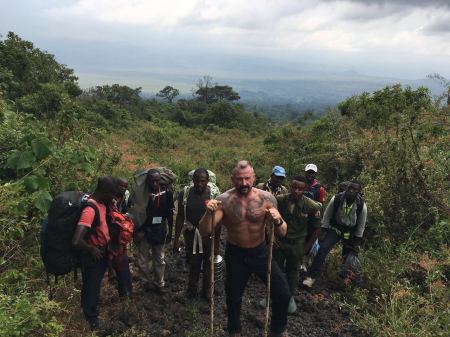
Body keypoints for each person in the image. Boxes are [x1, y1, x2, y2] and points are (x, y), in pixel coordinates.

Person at [199, 160, 290, 337]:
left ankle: (278, 329)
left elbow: (282, 232)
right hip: (236, 254)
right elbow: (205, 230)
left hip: (260, 252)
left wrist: (278, 219)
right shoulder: (224, 201)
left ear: (254, 178)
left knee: (283, 293)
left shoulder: (267, 199)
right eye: (239, 179)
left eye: (247, 178)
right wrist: (208, 212)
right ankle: (234, 330)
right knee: (233, 297)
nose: (244, 183)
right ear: (232, 179)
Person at [259, 175, 322, 314]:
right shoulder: (280, 200)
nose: (296, 191)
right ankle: (270, 296)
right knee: (275, 270)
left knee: (292, 272)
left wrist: (307, 247)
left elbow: (317, 228)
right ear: (290, 186)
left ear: (305, 189)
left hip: (297, 243)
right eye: (294, 187)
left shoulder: (311, 205)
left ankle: (290, 298)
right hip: (280, 241)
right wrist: (271, 238)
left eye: (300, 189)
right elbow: (268, 219)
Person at [71, 176, 118, 330]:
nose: (113, 197)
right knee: (91, 287)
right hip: (92, 255)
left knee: (93, 285)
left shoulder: (101, 204)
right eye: (112, 194)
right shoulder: (90, 210)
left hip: (100, 251)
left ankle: (90, 315)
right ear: (104, 191)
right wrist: (91, 249)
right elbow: (76, 240)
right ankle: (93, 323)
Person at [303, 180, 367, 288]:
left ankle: (344, 281)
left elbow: (361, 225)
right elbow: (327, 216)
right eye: (349, 188)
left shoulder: (362, 206)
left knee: (348, 257)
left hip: (349, 232)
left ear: (358, 191)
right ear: (346, 189)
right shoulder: (337, 199)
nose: (351, 191)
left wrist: (356, 243)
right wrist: (323, 232)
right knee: (323, 249)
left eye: (354, 189)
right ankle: (310, 277)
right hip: (335, 228)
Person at [173, 168, 221, 299]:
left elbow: (218, 222)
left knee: (208, 263)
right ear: (192, 181)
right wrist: (176, 239)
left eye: (203, 181)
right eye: (197, 181)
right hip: (191, 234)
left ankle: (207, 291)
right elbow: (180, 216)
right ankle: (191, 291)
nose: (199, 184)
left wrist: (216, 244)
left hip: (208, 236)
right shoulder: (186, 193)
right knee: (193, 263)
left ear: (207, 181)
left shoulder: (213, 195)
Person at [131, 169, 174, 293]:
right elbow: (135, 212)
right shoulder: (142, 195)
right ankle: (145, 282)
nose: (155, 184)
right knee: (142, 259)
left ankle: (159, 283)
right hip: (144, 230)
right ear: (147, 181)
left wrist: (170, 232)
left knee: (159, 258)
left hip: (160, 229)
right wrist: (135, 232)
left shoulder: (166, 192)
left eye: (157, 181)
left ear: (160, 180)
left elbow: (170, 213)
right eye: (152, 181)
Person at [303, 163, 327, 269]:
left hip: (312, 217)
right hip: (300, 216)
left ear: (315, 174)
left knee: (310, 239)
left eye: (312, 173)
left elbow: (320, 204)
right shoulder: (301, 184)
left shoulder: (319, 189)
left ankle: (306, 261)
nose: (310, 175)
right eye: (308, 172)